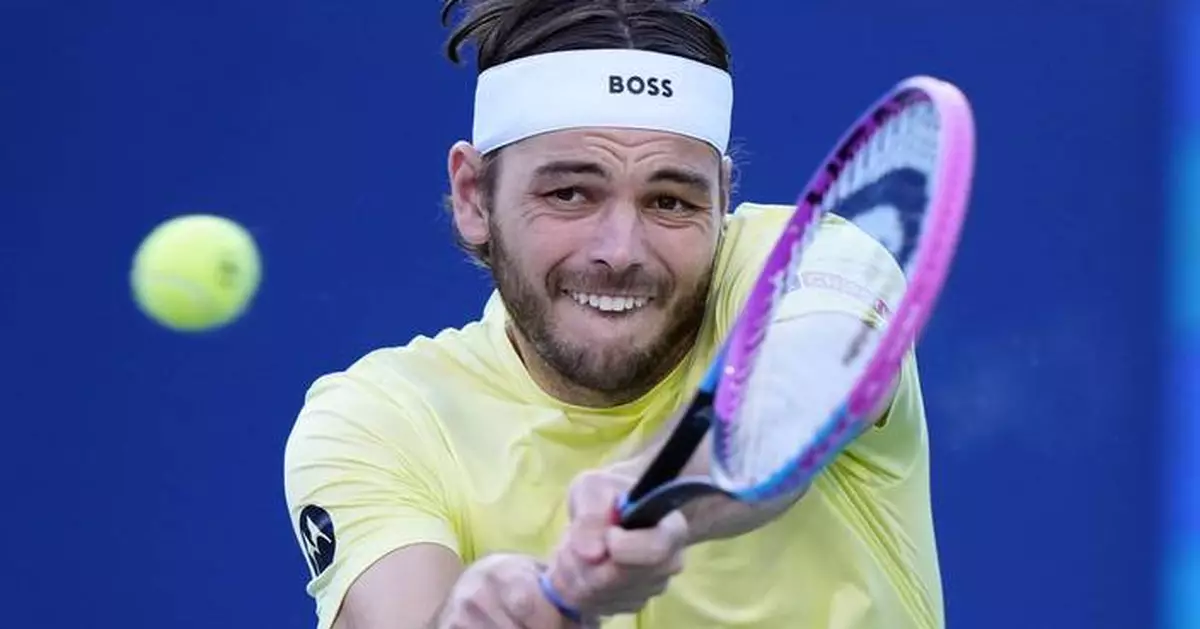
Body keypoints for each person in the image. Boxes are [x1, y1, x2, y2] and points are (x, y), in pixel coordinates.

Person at [282, 1, 945, 627]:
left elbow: (791, 400)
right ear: (473, 195)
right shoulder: (379, 415)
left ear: (723, 197)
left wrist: (653, 498)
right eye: (570, 193)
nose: (620, 250)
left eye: (671, 202)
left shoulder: (811, 261)